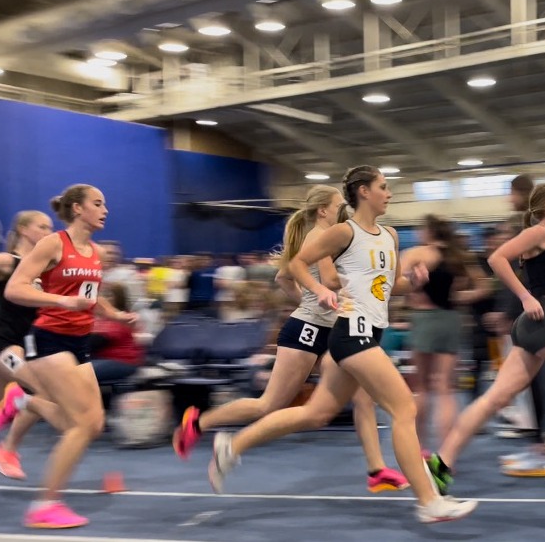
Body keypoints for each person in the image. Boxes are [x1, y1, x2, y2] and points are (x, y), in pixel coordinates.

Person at [203, 167, 477, 523]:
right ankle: (428, 501)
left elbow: (389, 287)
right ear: (363, 192)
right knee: (404, 409)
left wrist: (414, 282)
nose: (389, 193)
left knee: (316, 414)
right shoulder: (343, 232)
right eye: (383, 187)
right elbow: (296, 264)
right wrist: (319, 289)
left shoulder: (391, 235)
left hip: (371, 331)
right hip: (352, 332)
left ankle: (232, 446)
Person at [172, 184, 408, 492]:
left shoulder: (333, 237)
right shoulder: (320, 237)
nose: (345, 209)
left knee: (362, 397)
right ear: (323, 210)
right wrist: (321, 299)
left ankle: (377, 469)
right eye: (339, 205)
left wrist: (312, 299)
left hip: (338, 328)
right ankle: (198, 423)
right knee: (269, 404)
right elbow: (329, 280)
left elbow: (283, 277)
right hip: (309, 330)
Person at [426, 182, 545, 497]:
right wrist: (526, 297)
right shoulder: (537, 233)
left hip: (539, 323)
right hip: (542, 321)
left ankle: (441, 463)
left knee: (495, 399)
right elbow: (497, 259)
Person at [2, 184, 137, 528]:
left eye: (105, 204)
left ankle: (25, 401)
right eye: (98, 204)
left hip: (80, 342)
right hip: (50, 339)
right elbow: (14, 289)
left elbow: (90, 295)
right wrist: (61, 301)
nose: (105, 210)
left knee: (92, 425)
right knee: (79, 424)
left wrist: (115, 314)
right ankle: (45, 505)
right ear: (77, 209)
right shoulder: (53, 244)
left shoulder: (94, 251)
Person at [402, 215, 488, 452]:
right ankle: (446, 454)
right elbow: (484, 286)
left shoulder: (418, 253)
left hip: (425, 318)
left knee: (422, 387)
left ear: (428, 231)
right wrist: (458, 297)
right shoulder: (458, 255)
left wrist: (413, 289)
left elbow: (394, 281)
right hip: (451, 319)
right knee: (446, 388)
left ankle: (419, 450)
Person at [0, 210, 54, 479]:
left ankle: (12, 405)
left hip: (29, 345)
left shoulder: (42, 268)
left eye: (50, 227)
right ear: (24, 230)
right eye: (43, 227)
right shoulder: (7, 261)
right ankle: (7, 450)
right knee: (42, 391)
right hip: (3, 345)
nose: (49, 232)